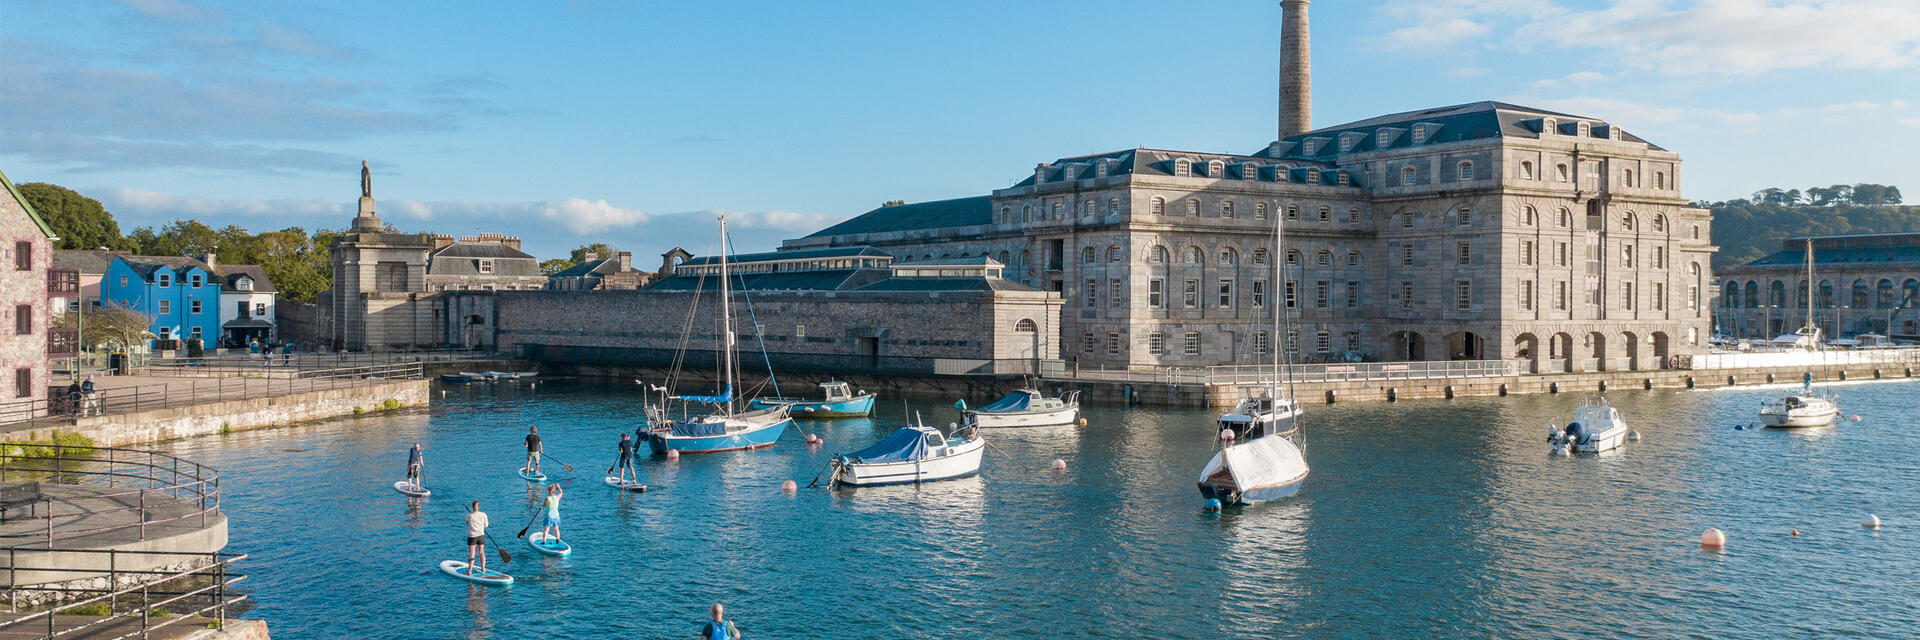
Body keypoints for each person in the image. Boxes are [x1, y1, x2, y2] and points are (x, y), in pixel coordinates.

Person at [465, 501, 490, 575]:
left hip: (472, 536)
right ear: (478, 507)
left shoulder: (468, 515)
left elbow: (468, 525)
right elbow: (486, 525)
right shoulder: (483, 514)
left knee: (472, 554)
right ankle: (483, 568)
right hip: (481, 535)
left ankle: (469, 570)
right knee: (481, 552)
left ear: (472, 507)